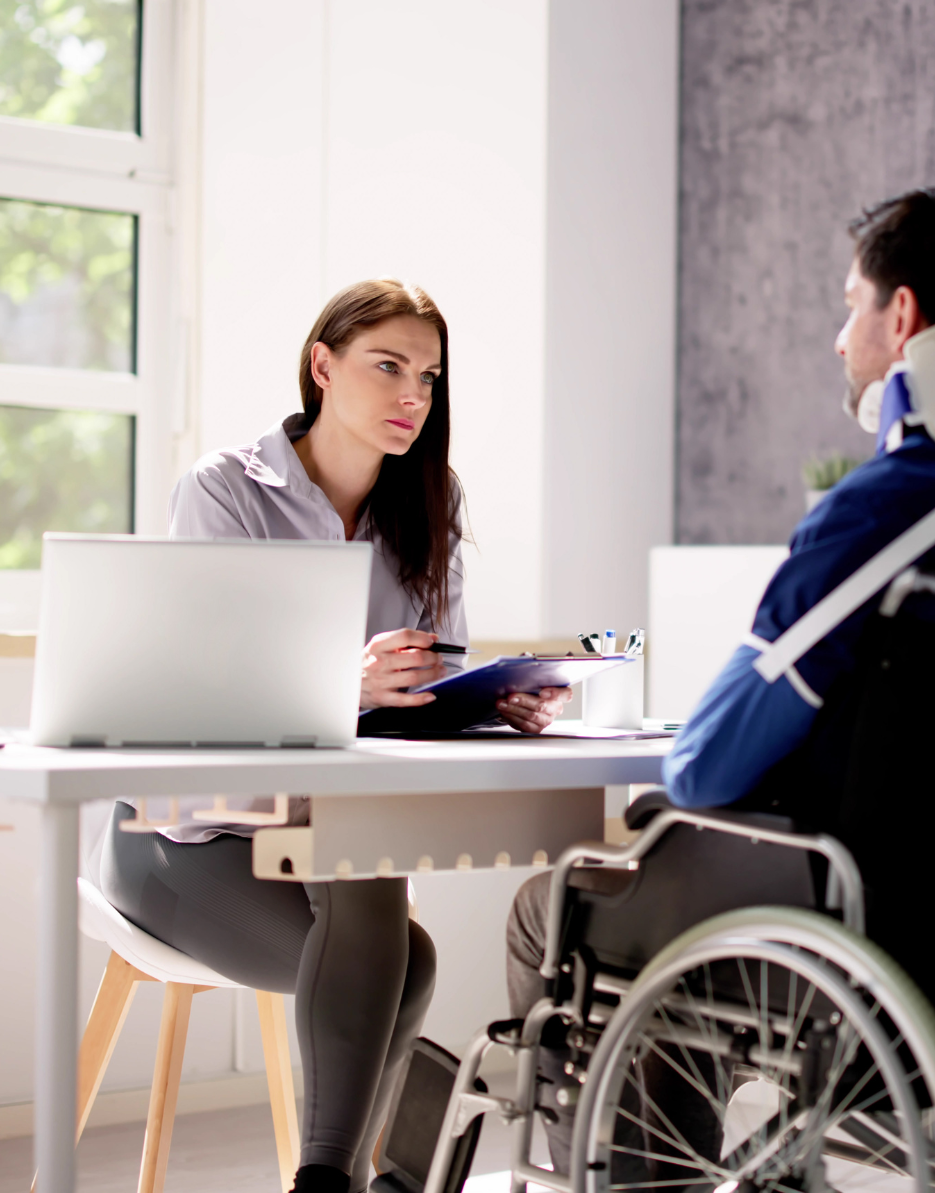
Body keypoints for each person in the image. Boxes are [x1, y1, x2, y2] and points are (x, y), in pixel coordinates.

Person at [502, 187, 935, 1163]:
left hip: (845, 926)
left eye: (850, 305)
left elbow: (702, 774)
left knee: (556, 903)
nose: (837, 338)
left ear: (902, 318)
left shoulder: (876, 517)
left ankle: (630, 1175)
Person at [100, 279, 570, 1193]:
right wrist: (339, 682)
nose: (413, 398)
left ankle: (327, 1183)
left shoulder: (429, 501)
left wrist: (484, 696)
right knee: (401, 946)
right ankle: (354, 1181)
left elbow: (429, 674)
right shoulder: (226, 491)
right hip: (177, 837)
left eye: (428, 379)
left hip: (318, 833)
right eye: (388, 367)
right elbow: (191, 688)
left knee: (378, 890)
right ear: (323, 367)